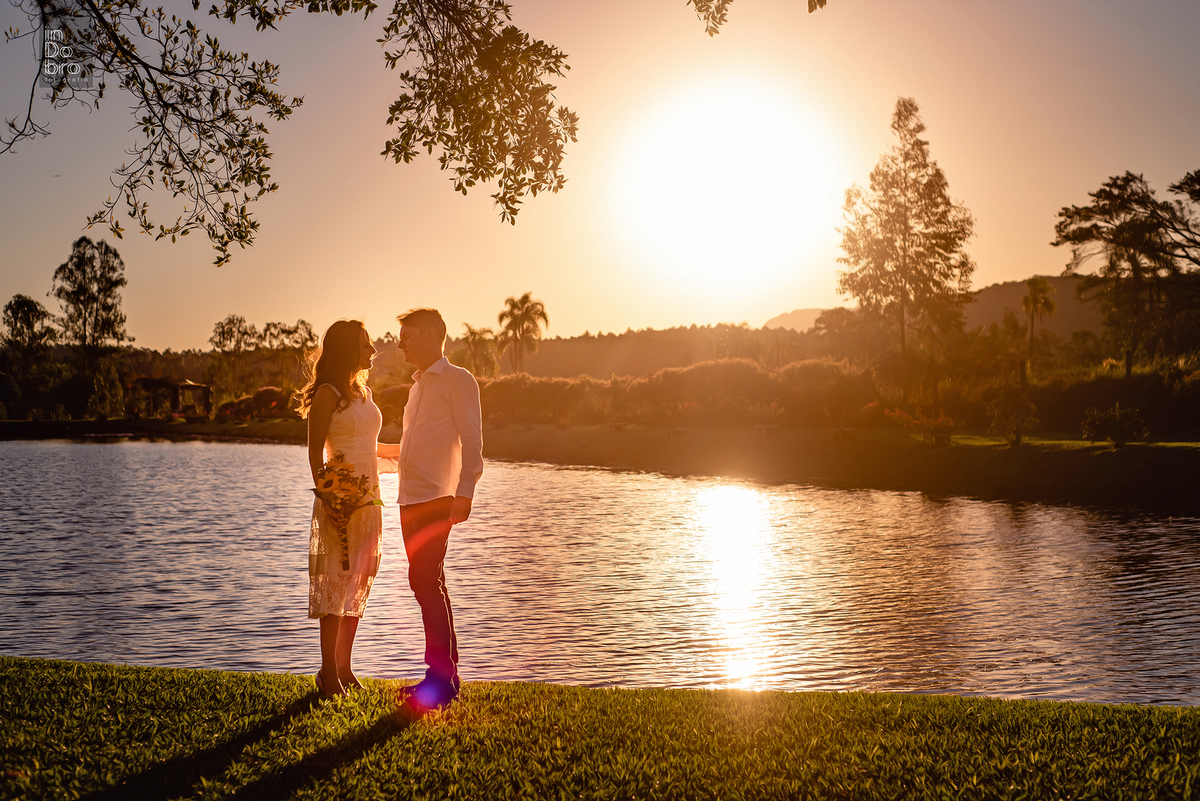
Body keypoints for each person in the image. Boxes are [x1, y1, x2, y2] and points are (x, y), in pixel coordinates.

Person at [392, 307, 483, 710]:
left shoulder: (458, 381)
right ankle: (443, 675)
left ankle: (441, 680)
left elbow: (473, 441)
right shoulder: (416, 387)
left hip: (437, 498)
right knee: (426, 581)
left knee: (425, 579)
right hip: (408, 498)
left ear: (431, 335)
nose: (399, 344)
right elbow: (411, 447)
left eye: (406, 336)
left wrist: (465, 492)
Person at [297, 319, 386, 698]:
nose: (372, 351)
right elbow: (315, 452)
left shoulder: (362, 391)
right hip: (339, 500)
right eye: (366, 345)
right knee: (335, 582)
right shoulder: (328, 393)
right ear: (349, 348)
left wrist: (418, 453)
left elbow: (372, 447)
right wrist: (329, 497)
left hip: (369, 500)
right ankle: (327, 673)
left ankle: (345, 667)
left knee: (357, 583)